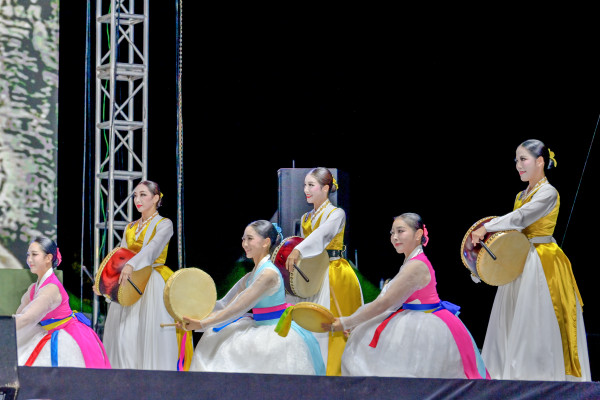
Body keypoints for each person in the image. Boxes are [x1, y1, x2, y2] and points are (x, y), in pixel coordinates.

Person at [471, 139, 591, 381]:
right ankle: (507, 378)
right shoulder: (521, 194)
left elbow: (521, 218)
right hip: (519, 259)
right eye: (516, 160)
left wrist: (488, 226)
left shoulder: (548, 192)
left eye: (523, 159)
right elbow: (513, 228)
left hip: (542, 261)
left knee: (536, 320)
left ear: (540, 161)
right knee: (512, 318)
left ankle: (538, 377)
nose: (518, 165)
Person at [323, 213, 488, 379]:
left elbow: (384, 303)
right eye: (392, 233)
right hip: (417, 317)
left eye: (400, 231)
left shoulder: (416, 266)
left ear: (418, 234)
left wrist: (347, 322)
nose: (395, 237)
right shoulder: (412, 261)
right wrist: (355, 322)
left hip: (426, 325)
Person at [177, 220, 325, 375]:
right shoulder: (252, 275)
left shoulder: (268, 274)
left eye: (250, 239)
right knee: (213, 337)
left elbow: (239, 306)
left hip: (275, 331)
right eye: (243, 239)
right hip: (258, 324)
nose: (244, 244)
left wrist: (202, 324)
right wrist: (196, 316)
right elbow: (226, 304)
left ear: (266, 242)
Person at [99, 180, 190, 370]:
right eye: (135, 196)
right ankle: (125, 376)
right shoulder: (130, 227)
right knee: (124, 334)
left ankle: (152, 377)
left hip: (152, 280)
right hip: (129, 280)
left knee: (149, 333)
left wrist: (131, 264)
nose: (137, 200)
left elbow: (152, 249)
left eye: (143, 195)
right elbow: (119, 255)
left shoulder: (164, 224)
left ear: (155, 198)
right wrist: (105, 281)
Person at [284, 167, 363, 376]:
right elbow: (309, 242)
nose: (306, 190)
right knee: (311, 324)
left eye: (311, 185)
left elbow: (322, 234)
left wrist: (299, 250)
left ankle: (337, 373)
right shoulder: (305, 218)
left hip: (335, 273)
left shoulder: (336, 214)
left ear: (325, 188)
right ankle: (315, 372)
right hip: (314, 275)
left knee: (334, 324)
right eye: (305, 185)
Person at [14, 236, 110, 368]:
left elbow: (27, 318)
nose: (29, 259)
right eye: (28, 255)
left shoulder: (51, 289)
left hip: (68, 336)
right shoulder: (33, 289)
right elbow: (19, 317)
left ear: (48, 258)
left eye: (34, 254)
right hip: (48, 332)